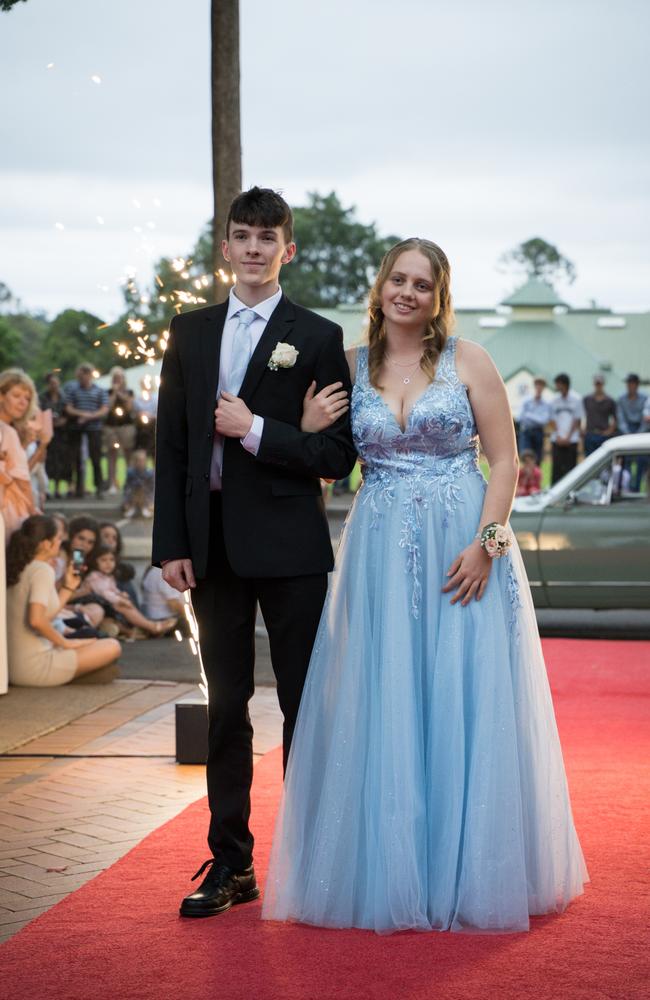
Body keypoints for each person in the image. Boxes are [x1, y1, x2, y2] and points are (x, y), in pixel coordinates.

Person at [262, 238, 587, 934]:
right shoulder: (350, 365)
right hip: (378, 553)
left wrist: (488, 545)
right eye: (398, 279)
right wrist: (308, 424)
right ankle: (388, 868)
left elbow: (505, 464)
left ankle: (470, 872)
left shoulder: (469, 361)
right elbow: (327, 461)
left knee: (462, 697)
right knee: (387, 700)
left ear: (440, 295)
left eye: (423, 283)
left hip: (463, 550)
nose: (408, 292)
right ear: (381, 287)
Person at [152, 186, 356, 918]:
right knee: (226, 709)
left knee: (308, 706)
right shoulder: (190, 329)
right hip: (210, 548)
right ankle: (232, 865)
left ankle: (315, 863)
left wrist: (257, 429)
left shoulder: (320, 335)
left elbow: (337, 455)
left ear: (287, 249)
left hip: (293, 546)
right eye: (242, 236)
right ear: (226, 246)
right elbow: (172, 444)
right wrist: (170, 543)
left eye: (268, 238)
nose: (254, 249)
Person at [6, 515, 121, 686]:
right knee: (112, 646)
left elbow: (45, 616)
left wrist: (68, 588)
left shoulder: (20, 566)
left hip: (12, 665)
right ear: (46, 544)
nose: (61, 542)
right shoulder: (42, 570)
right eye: (58, 538)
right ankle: (85, 673)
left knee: (92, 642)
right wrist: (65, 643)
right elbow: (36, 620)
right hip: (34, 665)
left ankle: (87, 672)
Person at [76, 546, 177, 638]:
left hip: (108, 604)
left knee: (127, 604)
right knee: (124, 606)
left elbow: (112, 589)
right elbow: (104, 593)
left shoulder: (108, 577)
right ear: (95, 562)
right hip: (99, 603)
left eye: (111, 560)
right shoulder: (94, 576)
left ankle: (144, 626)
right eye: (103, 560)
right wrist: (119, 599)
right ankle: (152, 627)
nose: (108, 563)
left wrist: (120, 595)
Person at [0, 369, 38, 540]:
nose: (23, 402)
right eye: (16, 395)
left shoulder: (9, 431)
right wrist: (33, 509)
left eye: (27, 398)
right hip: (9, 509)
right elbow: (21, 479)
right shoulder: (7, 431)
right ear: (1, 395)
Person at [64, 363, 109, 499]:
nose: (83, 379)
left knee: (96, 458)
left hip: (94, 429)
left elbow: (104, 409)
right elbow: (68, 408)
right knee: (77, 459)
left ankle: (99, 487)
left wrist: (89, 416)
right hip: (78, 429)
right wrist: (82, 414)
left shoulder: (100, 391)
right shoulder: (73, 391)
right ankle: (79, 488)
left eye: (85, 376)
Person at [103, 366, 136, 494]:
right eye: (115, 378)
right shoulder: (108, 392)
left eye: (119, 377)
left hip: (126, 426)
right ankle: (112, 483)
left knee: (128, 455)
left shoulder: (129, 392)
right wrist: (114, 393)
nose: (117, 380)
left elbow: (129, 407)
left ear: (124, 379)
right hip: (111, 427)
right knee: (112, 455)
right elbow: (108, 407)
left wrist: (120, 394)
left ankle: (129, 482)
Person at [39, 372, 73, 498]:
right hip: (48, 432)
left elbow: (68, 412)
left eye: (56, 383)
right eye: (52, 383)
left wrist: (63, 420)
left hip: (62, 433)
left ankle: (60, 487)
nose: (55, 386)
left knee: (62, 460)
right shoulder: (43, 397)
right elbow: (40, 411)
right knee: (50, 460)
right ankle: (48, 489)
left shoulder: (63, 397)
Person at [549, 373, 584, 485]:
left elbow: (577, 419)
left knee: (571, 468)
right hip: (557, 439)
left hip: (571, 439)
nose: (557, 386)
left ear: (564, 384)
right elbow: (552, 419)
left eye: (558, 384)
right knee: (556, 469)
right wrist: (559, 435)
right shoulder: (554, 399)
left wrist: (568, 437)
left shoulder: (576, 399)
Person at [616, 374, 648, 491]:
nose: (630, 386)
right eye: (629, 383)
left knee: (641, 462)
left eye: (633, 383)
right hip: (626, 432)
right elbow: (621, 419)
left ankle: (637, 489)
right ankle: (626, 489)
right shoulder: (621, 399)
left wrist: (638, 435)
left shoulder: (645, 398)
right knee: (625, 463)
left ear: (637, 385)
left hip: (641, 431)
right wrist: (628, 434)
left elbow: (645, 419)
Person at [517, 376, 550, 464]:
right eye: (537, 385)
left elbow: (543, 421)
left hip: (538, 433)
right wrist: (536, 417)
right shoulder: (525, 400)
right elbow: (519, 417)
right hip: (526, 432)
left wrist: (528, 415)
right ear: (535, 386)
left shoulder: (546, 403)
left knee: (537, 459)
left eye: (541, 385)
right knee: (526, 457)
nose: (539, 387)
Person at [582, 374, 616, 456]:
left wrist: (609, 431)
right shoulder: (587, 399)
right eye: (597, 383)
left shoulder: (610, 400)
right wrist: (583, 430)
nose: (598, 386)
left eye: (600, 383)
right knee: (588, 460)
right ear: (594, 384)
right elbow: (581, 414)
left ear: (603, 384)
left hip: (603, 435)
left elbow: (615, 418)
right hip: (590, 434)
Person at [122, 449, 154, 518]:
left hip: (146, 496)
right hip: (133, 495)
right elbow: (126, 487)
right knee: (136, 488)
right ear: (134, 461)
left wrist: (151, 501)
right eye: (138, 460)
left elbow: (152, 489)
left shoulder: (150, 473)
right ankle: (132, 507)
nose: (140, 463)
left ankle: (145, 508)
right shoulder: (130, 472)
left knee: (142, 488)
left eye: (142, 460)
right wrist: (126, 501)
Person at [134, 375, 158, 457]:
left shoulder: (156, 397)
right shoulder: (137, 399)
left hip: (154, 427)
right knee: (142, 451)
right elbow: (136, 413)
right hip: (142, 429)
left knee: (155, 451)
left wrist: (151, 416)